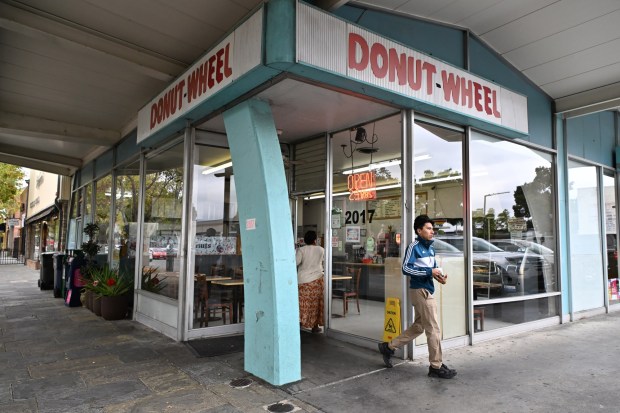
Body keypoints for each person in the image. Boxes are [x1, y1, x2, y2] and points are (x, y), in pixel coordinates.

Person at [378, 215, 457, 379]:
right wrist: (429, 272)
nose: (432, 231)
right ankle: (436, 366)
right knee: (433, 329)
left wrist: (439, 277)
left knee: (420, 326)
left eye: (432, 228)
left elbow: (433, 269)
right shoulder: (413, 247)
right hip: (420, 291)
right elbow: (406, 268)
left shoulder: (431, 248)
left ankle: (389, 347)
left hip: (427, 288)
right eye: (428, 228)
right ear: (419, 230)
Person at [296, 231, 325, 333]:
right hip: (317, 280)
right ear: (315, 240)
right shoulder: (321, 250)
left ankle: (300, 323)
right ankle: (315, 327)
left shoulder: (301, 250)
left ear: (305, 240)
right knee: (315, 305)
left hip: (303, 281)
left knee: (302, 304)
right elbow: (324, 261)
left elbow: (296, 262)